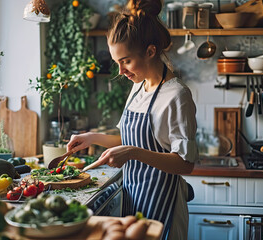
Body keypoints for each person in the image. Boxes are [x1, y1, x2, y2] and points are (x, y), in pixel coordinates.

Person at [67, 0, 198, 239]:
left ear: (150, 51)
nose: (120, 71)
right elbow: (128, 139)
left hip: (164, 203)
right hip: (134, 197)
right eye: (117, 62)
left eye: (125, 61)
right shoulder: (138, 87)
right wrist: (92, 138)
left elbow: (185, 163)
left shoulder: (177, 95)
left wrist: (133, 153)